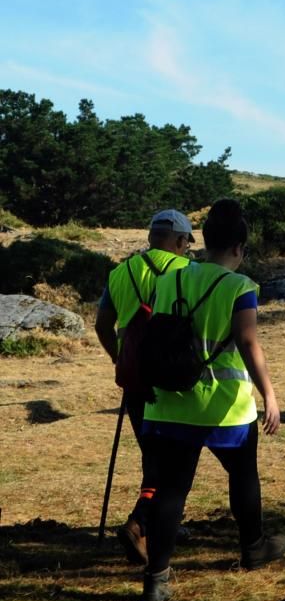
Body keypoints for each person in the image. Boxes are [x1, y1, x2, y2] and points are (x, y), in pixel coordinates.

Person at [139, 199, 285, 601]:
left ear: (203, 242)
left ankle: (156, 578)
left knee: (171, 490)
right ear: (238, 247)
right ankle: (253, 547)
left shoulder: (171, 279)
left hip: (167, 402)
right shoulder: (240, 287)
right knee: (242, 477)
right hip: (225, 408)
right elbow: (248, 341)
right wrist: (269, 394)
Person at [95, 209, 194, 566]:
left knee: (153, 454)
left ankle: (157, 521)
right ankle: (141, 522)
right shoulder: (186, 270)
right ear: (181, 240)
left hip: (135, 378)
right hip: (173, 379)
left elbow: (102, 325)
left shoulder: (120, 272)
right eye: (187, 244)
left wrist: (118, 358)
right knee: (172, 462)